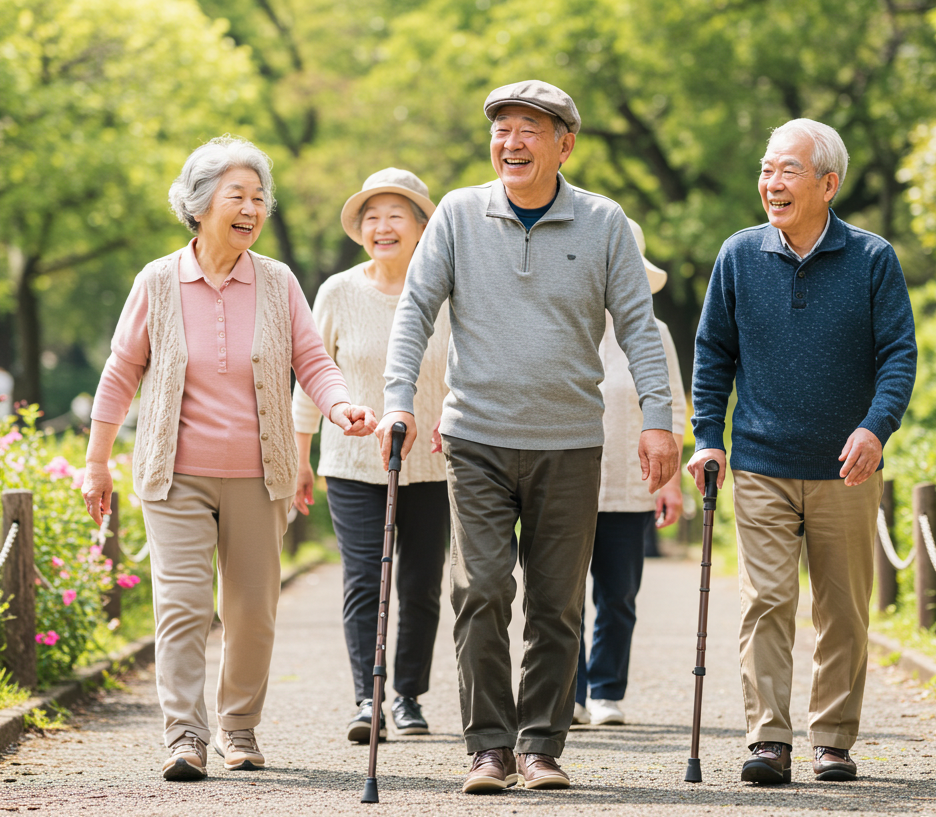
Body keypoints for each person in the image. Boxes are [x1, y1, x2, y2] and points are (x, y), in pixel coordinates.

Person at [375, 80, 678, 794]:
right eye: (501, 129)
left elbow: (639, 327)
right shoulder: (458, 214)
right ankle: (488, 746)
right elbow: (415, 310)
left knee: (556, 602)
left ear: (564, 145)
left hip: (569, 441)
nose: (510, 143)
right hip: (475, 436)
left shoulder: (603, 221)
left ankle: (540, 744)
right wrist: (397, 401)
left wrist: (659, 420)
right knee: (481, 587)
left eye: (529, 130)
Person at [82, 135, 377, 782]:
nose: (251, 208)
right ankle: (184, 736)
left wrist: (340, 406)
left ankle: (238, 727)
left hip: (259, 475)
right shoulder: (158, 281)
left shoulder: (276, 281)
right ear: (198, 205)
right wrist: (96, 462)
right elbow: (121, 372)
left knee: (251, 612)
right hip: (174, 474)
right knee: (183, 606)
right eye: (237, 195)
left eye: (259, 197)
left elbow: (312, 359)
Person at [688, 119, 916, 785]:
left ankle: (833, 740)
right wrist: (708, 437)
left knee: (842, 608)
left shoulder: (872, 258)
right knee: (765, 602)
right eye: (767, 169)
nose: (772, 182)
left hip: (848, 469)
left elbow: (898, 354)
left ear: (828, 183)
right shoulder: (738, 255)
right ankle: (768, 740)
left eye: (788, 170)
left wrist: (876, 427)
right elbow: (713, 353)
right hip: (761, 461)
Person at [291, 168, 451, 743]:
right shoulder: (337, 292)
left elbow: (468, 368)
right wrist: (300, 456)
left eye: (395, 216)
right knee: (364, 581)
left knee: (421, 585)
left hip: (432, 464)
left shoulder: (447, 291)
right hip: (353, 464)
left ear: (422, 226)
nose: (382, 227)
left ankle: (407, 695)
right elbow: (311, 374)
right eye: (371, 217)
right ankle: (369, 697)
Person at [573, 218, 687, 728]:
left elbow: (674, 407)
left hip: (630, 484)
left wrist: (672, 483)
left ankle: (606, 690)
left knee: (617, 595)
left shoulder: (655, 333)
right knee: (561, 598)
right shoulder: (564, 321)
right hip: (565, 483)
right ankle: (569, 692)